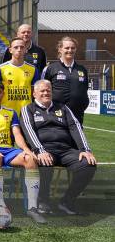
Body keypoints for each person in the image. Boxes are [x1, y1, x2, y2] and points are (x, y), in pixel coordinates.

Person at [20, 80, 97, 215]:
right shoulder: (28, 109)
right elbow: (28, 131)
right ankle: (43, 201)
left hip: (66, 150)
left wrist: (85, 150)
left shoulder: (63, 108)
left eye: (48, 90)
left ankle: (67, 201)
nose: (46, 93)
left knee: (88, 164)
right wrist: (40, 151)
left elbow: (75, 127)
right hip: (44, 149)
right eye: (42, 91)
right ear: (34, 93)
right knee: (45, 163)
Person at [0, 80, 44, 223]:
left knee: (30, 160)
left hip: (8, 150)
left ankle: (32, 208)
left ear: (3, 94)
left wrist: (26, 150)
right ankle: (1, 205)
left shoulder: (10, 112)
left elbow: (17, 134)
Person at [41, 36, 89, 124]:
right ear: (60, 49)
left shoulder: (82, 69)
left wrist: (84, 103)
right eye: (67, 48)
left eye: (72, 48)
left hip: (77, 115)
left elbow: (85, 89)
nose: (70, 50)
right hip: (56, 114)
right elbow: (42, 90)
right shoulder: (50, 68)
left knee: (76, 138)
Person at [0, 37, 39, 115]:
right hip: (6, 113)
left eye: (22, 47)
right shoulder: (0, 69)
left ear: (26, 50)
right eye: (16, 47)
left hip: (26, 112)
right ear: (10, 50)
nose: (19, 49)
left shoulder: (33, 69)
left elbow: (34, 92)